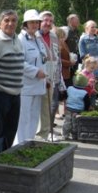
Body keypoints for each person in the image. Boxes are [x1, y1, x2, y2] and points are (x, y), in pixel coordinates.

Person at [0, 10, 24, 154]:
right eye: (6, 20)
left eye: (13, 20)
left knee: (10, 132)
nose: (10, 23)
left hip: (15, 95)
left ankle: (5, 160)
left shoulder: (17, 40)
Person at [15, 10, 47, 144]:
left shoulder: (37, 39)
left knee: (34, 118)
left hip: (39, 86)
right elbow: (18, 61)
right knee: (23, 119)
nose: (34, 25)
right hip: (26, 87)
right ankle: (19, 145)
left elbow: (43, 59)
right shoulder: (20, 40)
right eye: (32, 22)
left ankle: (29, 143)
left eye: (36, 22)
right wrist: (35, 71)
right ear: (25, 24)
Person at [36, 11, 63, 142]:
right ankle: (38, 134)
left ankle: (45, 134)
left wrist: (58, 79)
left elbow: (57, 58)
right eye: (45, 20)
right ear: (39, 21)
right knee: (36, 108)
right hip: (36, 77)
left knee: (47, 108)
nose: (48, 23)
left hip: (51, 77)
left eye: (50, 21)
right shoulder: (34, 35)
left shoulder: (53, 36)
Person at [62, 74, 90, 140]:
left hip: (68, 109)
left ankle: (65, 135)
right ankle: (75, 136)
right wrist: (86, 110)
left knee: (67, 122)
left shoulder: (69, 88)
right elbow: (87, 103)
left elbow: (65, 96)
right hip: (78, 110)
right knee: (76, 124)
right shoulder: (84, 93)